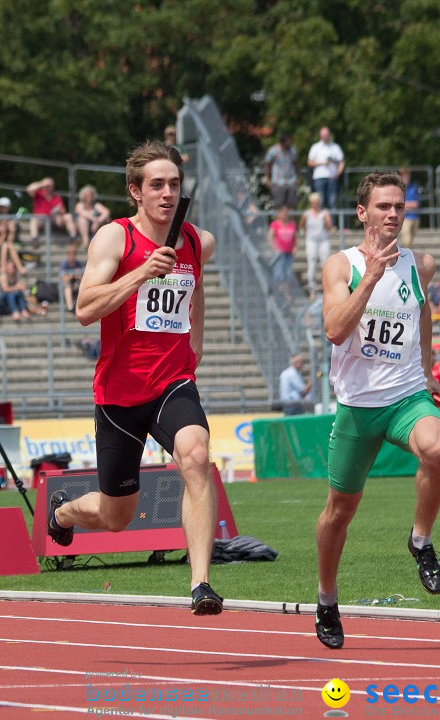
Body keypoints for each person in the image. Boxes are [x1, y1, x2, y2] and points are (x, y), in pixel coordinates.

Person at [48, 141, 223, 615]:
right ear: (135, 192)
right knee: (117, 514)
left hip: (173, 381)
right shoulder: (115, 238)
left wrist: (197, 341)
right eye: (156, 185)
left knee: (196, 455)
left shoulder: (196, 241)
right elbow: (85, 309)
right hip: (120, 393)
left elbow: (196, 287)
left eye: (175, 185)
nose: (168, 193)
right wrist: (142, 272)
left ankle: (201, 583)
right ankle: (62, 511)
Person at [316, 171, 440, 650]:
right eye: (382, 207)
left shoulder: (422, 264)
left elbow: (423, 310)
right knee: (339, 511)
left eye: (398, 206)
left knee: (437, 447)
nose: (392, 214)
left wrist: (429, 368)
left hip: (405, 397)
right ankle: (327, 599)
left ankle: (420, 540)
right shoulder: (340, 266)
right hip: (357, 407)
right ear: (362, 212)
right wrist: (370, 278)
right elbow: (334, 330)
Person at [300, 192, 334, 297]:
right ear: (311, 203)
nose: (316, 204)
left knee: (325, 264)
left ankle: (326, 289)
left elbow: (330, 227)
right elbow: (301, 225)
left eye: (318, 202)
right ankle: (312, 290)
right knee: (312, 264)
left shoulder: (325, 212)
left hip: (323, 241)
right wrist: (306, 234)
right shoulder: (307, 213)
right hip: (311, 241)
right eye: (314, 203)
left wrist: (327, 221)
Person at [26, 177, 77, 244]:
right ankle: (35, 239)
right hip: (41, 219)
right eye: (46, 186)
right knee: (34, 219)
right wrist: (42, 184)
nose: (48, 188)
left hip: (53, 219)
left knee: (68, 216)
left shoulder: (56, 197)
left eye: (50, 186)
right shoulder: (38, 194)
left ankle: (73, 237)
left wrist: (60, 215)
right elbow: (29, 189)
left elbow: (62, 210)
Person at [307, 126, 345, 211]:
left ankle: (332, 224)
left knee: (332, 202)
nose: (324, 137)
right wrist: (322, 163)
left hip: (332, 177)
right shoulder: (315, 147)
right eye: (322, 135)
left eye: (326, 135)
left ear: (329, 135)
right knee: (320, 202)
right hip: (319, 178)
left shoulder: (335, 147)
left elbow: (341, 162)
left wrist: (338, 174)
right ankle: (322, 223)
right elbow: (309, 162)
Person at [264, 132, 299, 209]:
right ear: (283, 142)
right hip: (278, 182)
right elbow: (267, 163)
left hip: (291, 181)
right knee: (279, 205)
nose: (290, 143)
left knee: (292, 204)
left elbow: (296, 163)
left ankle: (290, 221)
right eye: (289, 142)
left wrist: (298, 177)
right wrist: (267, 177)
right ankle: (279, 221)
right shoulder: (273, 150)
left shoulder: (293, 150)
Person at [267, 206, 297, 289]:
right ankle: (274, 290)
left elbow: (295, 238)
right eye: (282, 213)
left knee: (288, 274)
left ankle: (285, 293)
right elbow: (270, 237)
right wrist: (275, 248)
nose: (284, 215)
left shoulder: (291, 224)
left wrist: (295, 248)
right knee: (278, 273)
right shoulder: (275, 224)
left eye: (285, 213)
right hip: (279, 254)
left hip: (288, 253)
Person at [400, 168, 421, 248]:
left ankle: (405, 256)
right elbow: (398, 204)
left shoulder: (414, 188)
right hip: (405, 217)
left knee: (410, 241)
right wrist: (407, 205)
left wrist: (404, 205)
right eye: (404, 176)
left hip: (415, 216)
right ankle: (403, 256)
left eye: (407, 176)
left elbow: (416, 204)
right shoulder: (399, 189)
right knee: (406, 240)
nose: (406, 178)